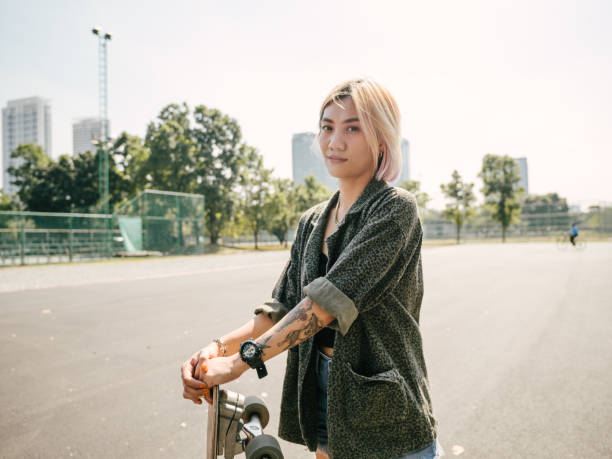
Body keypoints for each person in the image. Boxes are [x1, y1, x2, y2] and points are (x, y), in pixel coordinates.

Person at [181, 78, 442, 459]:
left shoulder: (394, 210)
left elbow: (325, 305)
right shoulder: (313, 220)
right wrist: (214, 348)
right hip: (324, 393)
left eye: (353, 127)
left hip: (383, 403)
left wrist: (238, 363)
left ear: (382, 139)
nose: (335, 141)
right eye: (327, 127)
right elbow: (282, 309)